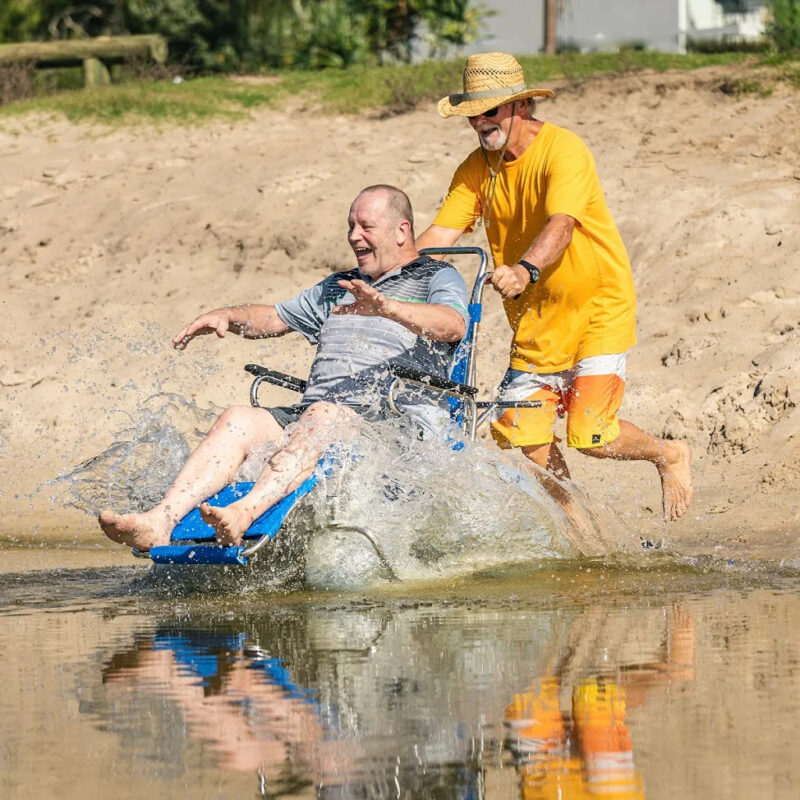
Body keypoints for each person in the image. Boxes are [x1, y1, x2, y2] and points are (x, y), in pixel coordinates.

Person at [99, 185, 469, 551]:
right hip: (316, 416)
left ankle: (244, 512)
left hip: (389, 424)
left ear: (402, 231)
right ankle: (159, 520)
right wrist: (228, 315)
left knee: (322, 416)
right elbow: (275, 318)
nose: (353, 236)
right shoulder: (340, 285)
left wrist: (388, 308)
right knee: (238, 418)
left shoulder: (435, 276)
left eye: (365, 227)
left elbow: (454, 324)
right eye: (350, 226)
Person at [415, 52, 693, 521]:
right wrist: (379, 275)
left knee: (591, 435)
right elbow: (438, 239)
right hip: (537, 320)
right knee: (526, 436)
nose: (481, 123)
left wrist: (524, 270)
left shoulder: (564, 150)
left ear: (520, 106)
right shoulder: (475, 169)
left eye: (490, 111)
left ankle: (668, 454)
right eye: (473, 115)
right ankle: (583, 530)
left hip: (596, 309)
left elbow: (561, 226)